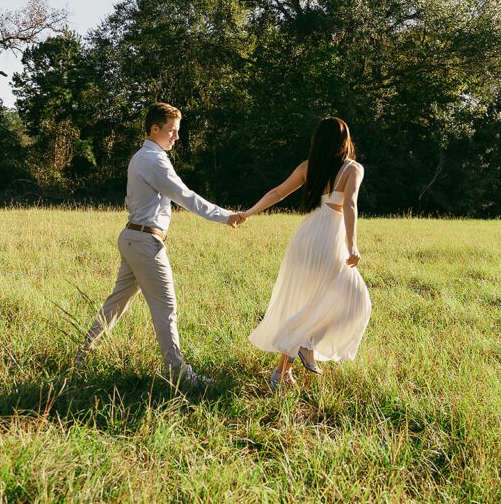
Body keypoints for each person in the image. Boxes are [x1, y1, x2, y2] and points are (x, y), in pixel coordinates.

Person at [75, 103, 244, 387]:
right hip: (145, 242)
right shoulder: (154, 160)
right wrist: (226, 216)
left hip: (132, 237)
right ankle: (177, 371)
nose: (176, 137)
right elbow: (185, 197)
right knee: (166, 306)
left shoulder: (141, 157)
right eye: (172, 131)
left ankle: (83, 355)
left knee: (117, 303)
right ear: (155, 129)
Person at [242, 117, 371, 390]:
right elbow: (349, 205)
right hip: (328, 239)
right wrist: (353, 245)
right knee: (357, 301)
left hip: (307, 237)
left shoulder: (308, 166)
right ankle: (304, 342)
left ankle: (281, 373)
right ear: (344, 140)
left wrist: (248, 213)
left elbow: (277, 192)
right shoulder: (353, 169)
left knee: (307, 305)